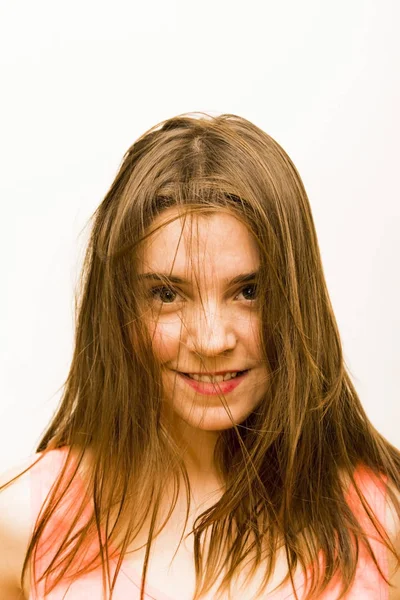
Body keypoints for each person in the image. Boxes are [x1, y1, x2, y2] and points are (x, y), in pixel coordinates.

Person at [1, 112, 400, 600]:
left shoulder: (386, 524)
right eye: (167, 295)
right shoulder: (24, 524)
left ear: (300, 301)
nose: (211, 341)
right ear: (119, 311)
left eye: (248, 291)